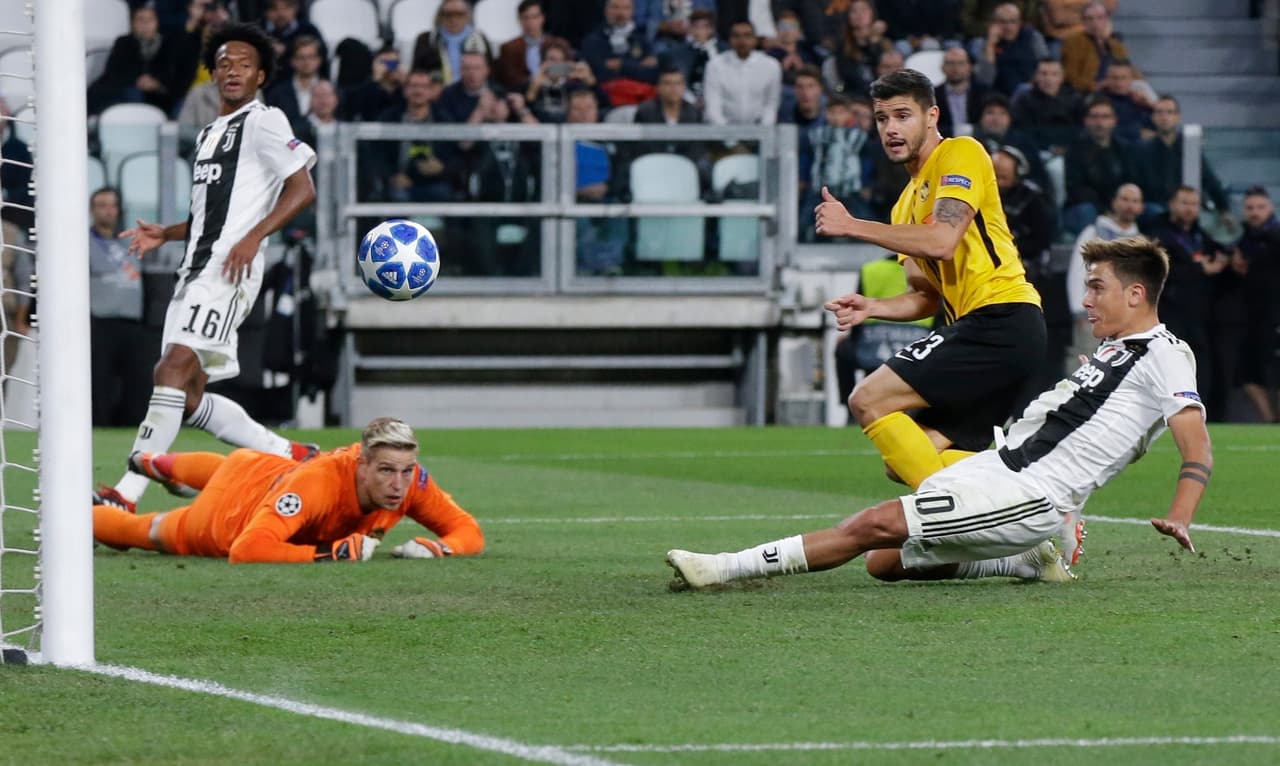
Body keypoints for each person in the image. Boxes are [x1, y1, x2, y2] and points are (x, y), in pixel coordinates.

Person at [668, 236, 1210, 589]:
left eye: (1097, 287)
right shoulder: (1119, 351)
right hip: (1001, 465)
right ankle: (1025, 558)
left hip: (1031, 494)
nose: (1086, 298)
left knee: (873, 523)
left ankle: (720, 569)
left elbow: (1195, 442)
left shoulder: (1165, 354)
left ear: (1136, 294)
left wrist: (1181, 512)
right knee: (885, 562)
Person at [103, 23, 318, 510]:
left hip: (229, 269)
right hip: (196, 267)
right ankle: (290, 453)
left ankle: (128, 489)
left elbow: (303, 188)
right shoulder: (208, 132)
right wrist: (167, 232)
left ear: (261, 75)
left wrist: (254, 237)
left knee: (170, 369)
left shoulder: (265, 121)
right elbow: (212, 216)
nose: (232, 70)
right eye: (223, 63)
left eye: (244, 64)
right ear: (212, 72)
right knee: (190, 395)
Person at [815, 68, 1046, 491]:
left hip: (1003, 317)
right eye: (882, 119)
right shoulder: (904, 205)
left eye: (903, 115)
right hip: (978, 328)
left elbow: (941, 240)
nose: (891, 129)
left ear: (932, 116)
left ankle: (960, 524)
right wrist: (875, 307)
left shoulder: (961, 154)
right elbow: (925, 297)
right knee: (916, 454)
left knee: (868, 399)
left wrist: (852, 225)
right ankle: (1024, 526)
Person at [93, 417, 485, 563]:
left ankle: (153, 462)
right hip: (227, 521)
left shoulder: (410, 481)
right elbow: (248, 549)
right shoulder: (319, 485)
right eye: (386, 471)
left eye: (405, 471)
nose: (398, 484)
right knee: (148, 532)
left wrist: (440, 547)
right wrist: (329, 554)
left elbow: (469, 531)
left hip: (261, 472)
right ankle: (71, 514)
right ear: (362, 465)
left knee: (236, 464)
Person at [88, 187, 150, 427]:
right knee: (99, 380)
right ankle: (98, 428)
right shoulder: (83, 242)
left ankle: (134, 427)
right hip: (100, 320)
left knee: (138, 379)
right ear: (92, 210)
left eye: (112, 205)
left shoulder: (131, 241)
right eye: (101, 205)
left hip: (132, 321)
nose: (107, 210)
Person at [1067, 182, 1143, 365]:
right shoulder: (1093, 232)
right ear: (1114, 202)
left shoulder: (1141, 241)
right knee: (1084, 364)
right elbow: (1077, 271)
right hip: (1093, 314)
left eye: (1135, 201)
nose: (1129, 205)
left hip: (1127, 319)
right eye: (1125, 199)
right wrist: (1079, 310)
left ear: (1141, 207)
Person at [1232, 187, 1280, 423]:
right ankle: (1271, 422)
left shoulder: (1276, 236)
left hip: (1275, 316)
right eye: (1250, 208)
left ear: (1270, 208)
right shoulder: (1244, 241)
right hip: (1252, 317)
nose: (1255, 213)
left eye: (1260, 207)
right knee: (1248, 375)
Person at [703, 20, 782, 126]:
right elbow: (713, 106)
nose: (742, 40)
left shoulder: (771, 65)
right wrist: (729, 136)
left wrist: (762, 133)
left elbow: (771, 105)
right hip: (722, 132)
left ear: (755, 39)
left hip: (761, 133)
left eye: (747, 35)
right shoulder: (715, 65)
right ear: (730, 40)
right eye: (736, 36)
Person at [492, 0, 570, 93]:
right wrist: (536, 81)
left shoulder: (559, 44)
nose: (530, 22)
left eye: (534, 17)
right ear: (519, 20)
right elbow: (510, 80)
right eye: (525, 18)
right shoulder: (509, 49)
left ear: (542, 18)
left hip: (556, 92)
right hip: (523, 96)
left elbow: (568, 72)